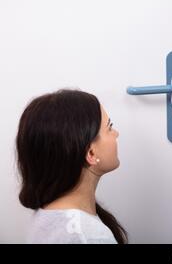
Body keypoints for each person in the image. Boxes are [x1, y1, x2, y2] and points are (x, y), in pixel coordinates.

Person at [16, 89, 127, 244]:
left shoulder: (46, 216)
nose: (116, 133)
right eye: (109, 127)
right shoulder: (89, 237)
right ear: (91, 153)